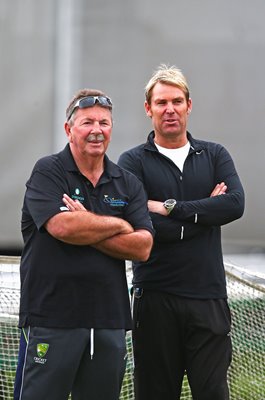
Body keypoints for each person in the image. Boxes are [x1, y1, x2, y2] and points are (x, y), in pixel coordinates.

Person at [14, 88, 154, 400]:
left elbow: (143, 246)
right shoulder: (48, 171)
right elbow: (62, 226)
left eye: (104, 123)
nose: (96, 131)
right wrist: (118, 224)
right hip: (51, 319)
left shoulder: (126, 182)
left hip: (108, 323)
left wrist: (87, 224)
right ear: (69, 129)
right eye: (87, 122)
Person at [118, 64, 245, 400]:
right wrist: (206, 213)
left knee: (213, 393)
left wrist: (172, 207)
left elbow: (234, 205)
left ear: (189, 105)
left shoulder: (215, 154)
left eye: (176, 101)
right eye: (161, 103)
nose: (169, 109)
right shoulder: (132, 163)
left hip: (208, 297)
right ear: (149, 109)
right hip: (154, 298)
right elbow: (139, 225)